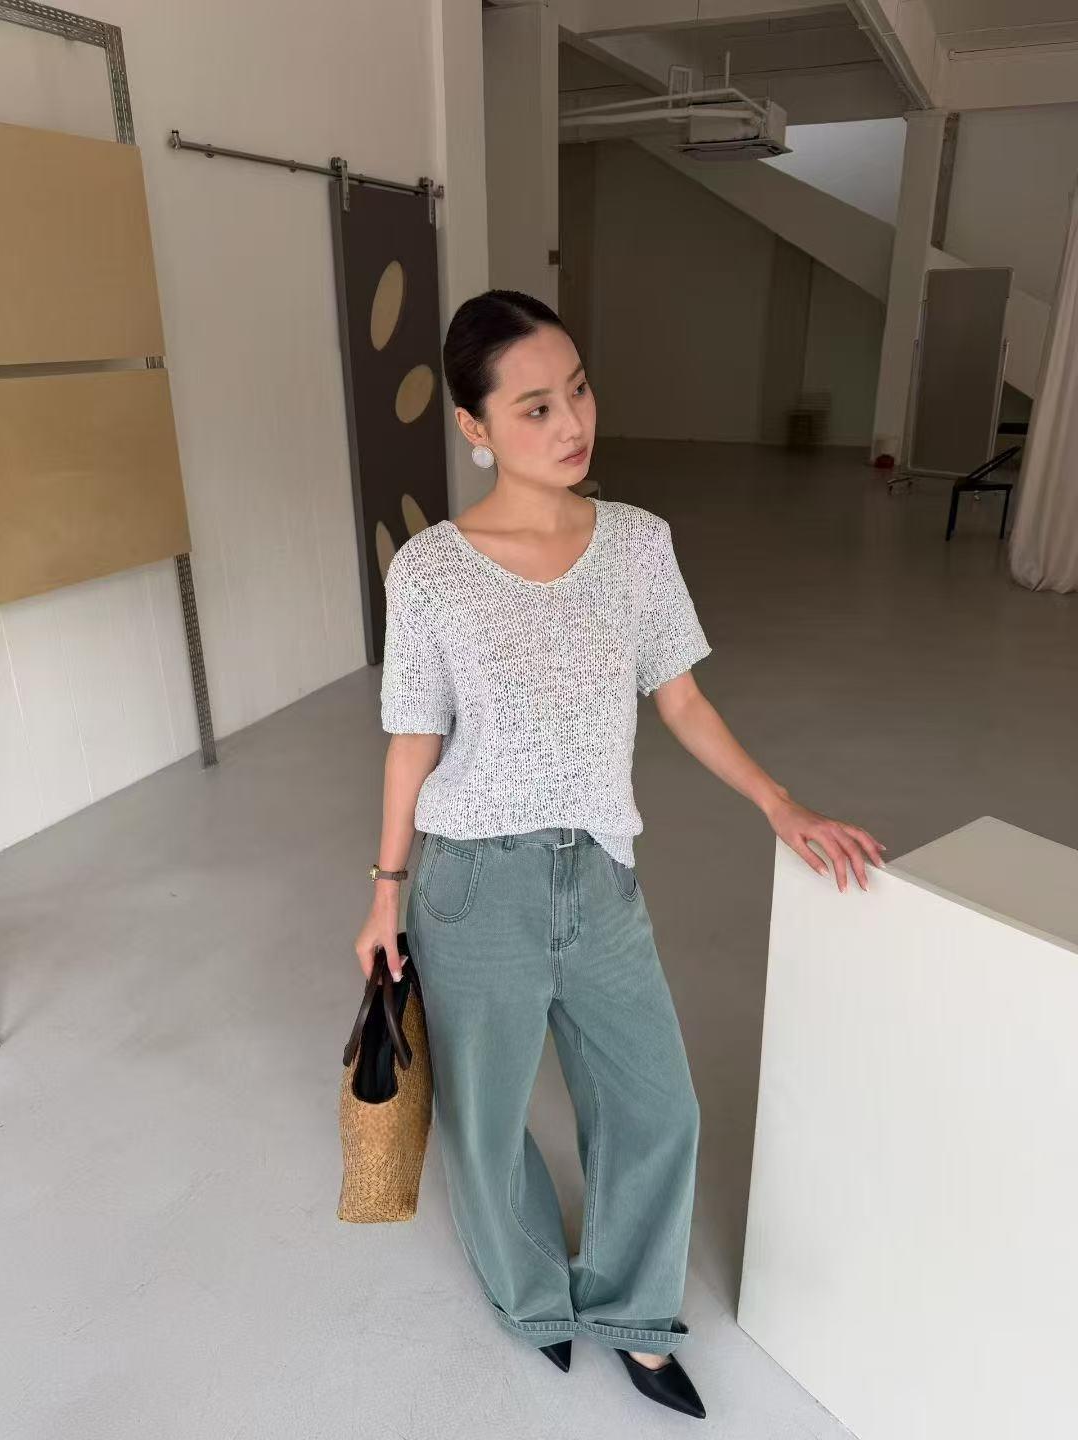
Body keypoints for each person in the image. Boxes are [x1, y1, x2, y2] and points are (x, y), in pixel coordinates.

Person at [354, 289, 886, 1419]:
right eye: (536, 406)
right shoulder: (432, 573)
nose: (572, 422)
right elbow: (414, 741)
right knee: (487, 1121)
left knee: (658, 1108)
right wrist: (385, 893)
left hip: (599, 873)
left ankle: (636, 1315)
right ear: (476, 427)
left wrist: (780, 803)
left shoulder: (639, 544)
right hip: (472, 886)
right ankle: (533, 1302)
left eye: (579, 389)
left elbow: (680, 700)